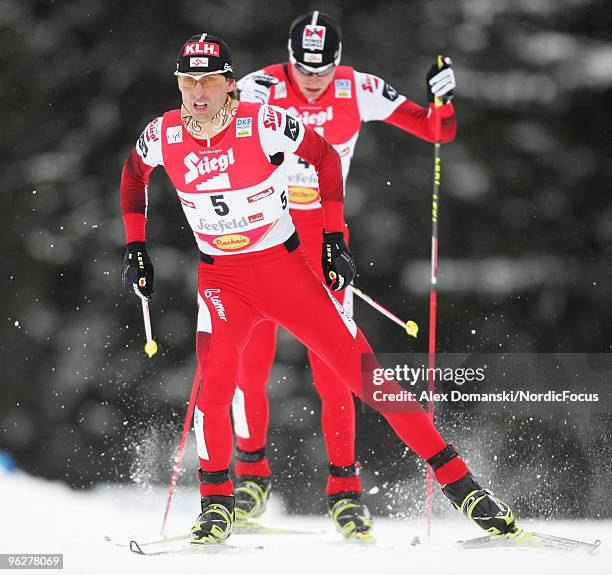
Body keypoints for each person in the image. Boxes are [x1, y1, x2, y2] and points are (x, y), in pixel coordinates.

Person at [120, 32, 516, 545]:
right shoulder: (163, 133)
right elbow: (133, 177)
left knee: (364, 378)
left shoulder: (260, 121)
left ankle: (463, 487)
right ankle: (216, 503)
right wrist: (136, 247)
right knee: (215, 387)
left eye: (210, 81)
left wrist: (332, 237)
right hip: (223, 281)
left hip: (286, 273)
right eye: (188, 82)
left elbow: (326, 158)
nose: (198, 93)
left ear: (228, 84)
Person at [231, 11, 457, 538]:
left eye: (323, 69)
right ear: (289, 59)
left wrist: (444, 99)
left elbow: (435, 130)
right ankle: (251, 477)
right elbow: (202, 136)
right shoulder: (258, 86)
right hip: (261, 234)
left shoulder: (361, 88)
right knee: (248, 361)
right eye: (302, 69)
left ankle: (344, 490)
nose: (312, 81)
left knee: (336, 371)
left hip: (322, 239)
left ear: (338, 61)